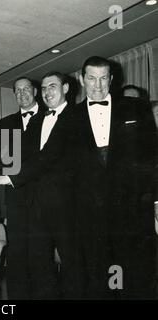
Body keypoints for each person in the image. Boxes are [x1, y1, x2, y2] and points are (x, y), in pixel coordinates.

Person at [0, 72, 80, 299]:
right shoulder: (35, 121)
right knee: (40, 261)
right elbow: (15, 156)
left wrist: (10, 178)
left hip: (68, 202)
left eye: (52, 87)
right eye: (17, 90)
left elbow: (49, 156)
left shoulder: (77, 116)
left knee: (73, 262)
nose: (48, 92)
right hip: (34, 201)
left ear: (66, 88)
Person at [75, 56, 157, 299]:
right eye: (92, 79)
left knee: (135, 279)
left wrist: (156, 201)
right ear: (82, 80)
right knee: (101, 283)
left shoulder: (135, 108)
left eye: (103, 79)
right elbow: (52, 159)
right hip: (93, 217)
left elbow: (153, 158)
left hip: (132, 211)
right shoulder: (70, 117)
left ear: (111, 80)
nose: (98, 86)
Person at [0, 77, 40, 299]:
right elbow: (2, 158)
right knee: (17, 254)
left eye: (26, 89)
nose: (22, 94)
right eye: (18, 90)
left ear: (35, 91)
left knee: (42, 255)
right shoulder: (6, 122)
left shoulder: (50, 116)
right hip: (16, 196)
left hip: (43, 196)